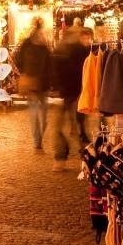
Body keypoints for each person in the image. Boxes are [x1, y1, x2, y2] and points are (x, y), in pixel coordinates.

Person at [48, 22, 89, 170]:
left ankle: (60, 159)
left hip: (65, 93)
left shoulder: (59, 48)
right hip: (77, 92)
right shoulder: (81, 50)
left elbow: (53, 70)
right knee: (79, 128)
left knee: (60, 127)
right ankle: (86, 159)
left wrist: (55, 87)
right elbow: (84, 72)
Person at [14, 18, 50, 150]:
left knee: (44, 117)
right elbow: (17, 57)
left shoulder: (45, 47)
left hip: (44, 84)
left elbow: (49, 64)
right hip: (31, 84)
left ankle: (39, 135)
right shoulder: (26, 44)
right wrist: (24, 72)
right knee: (34, 113)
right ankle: (37, 140)